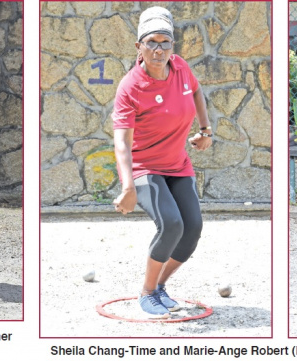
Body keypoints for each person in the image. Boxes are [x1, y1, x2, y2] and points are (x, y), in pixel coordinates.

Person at [111, 7, 212, 319]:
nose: (158, 50)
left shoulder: (180, 67)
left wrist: (206, 130)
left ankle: (159, 287)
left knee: (192, 228)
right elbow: (122, 143)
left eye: (165, 43)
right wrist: (128, 187)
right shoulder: (130, 86)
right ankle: (146, 291)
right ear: (139, 47)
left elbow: (196, 91)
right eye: (151, 43)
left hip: (177, 164)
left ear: (173, 47)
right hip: (145, 168)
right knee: (171, 224)